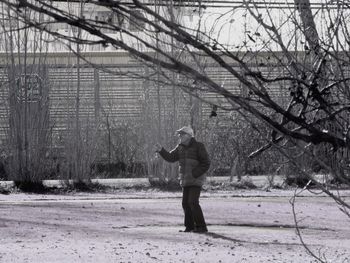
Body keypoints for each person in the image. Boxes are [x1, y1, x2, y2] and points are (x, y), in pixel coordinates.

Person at [155, 126, 210, 233]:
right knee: (185, 203)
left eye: (182, 134)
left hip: (195, 179)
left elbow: (206, 163)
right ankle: (190, 227)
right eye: (179, 134)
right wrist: (161, 150)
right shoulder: (180, 147)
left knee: (193, 202)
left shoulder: (199, 146)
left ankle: (201, 227)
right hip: (185, 180)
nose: (179, 136)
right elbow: (171, 157)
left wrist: (195, 174)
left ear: (189, 136)